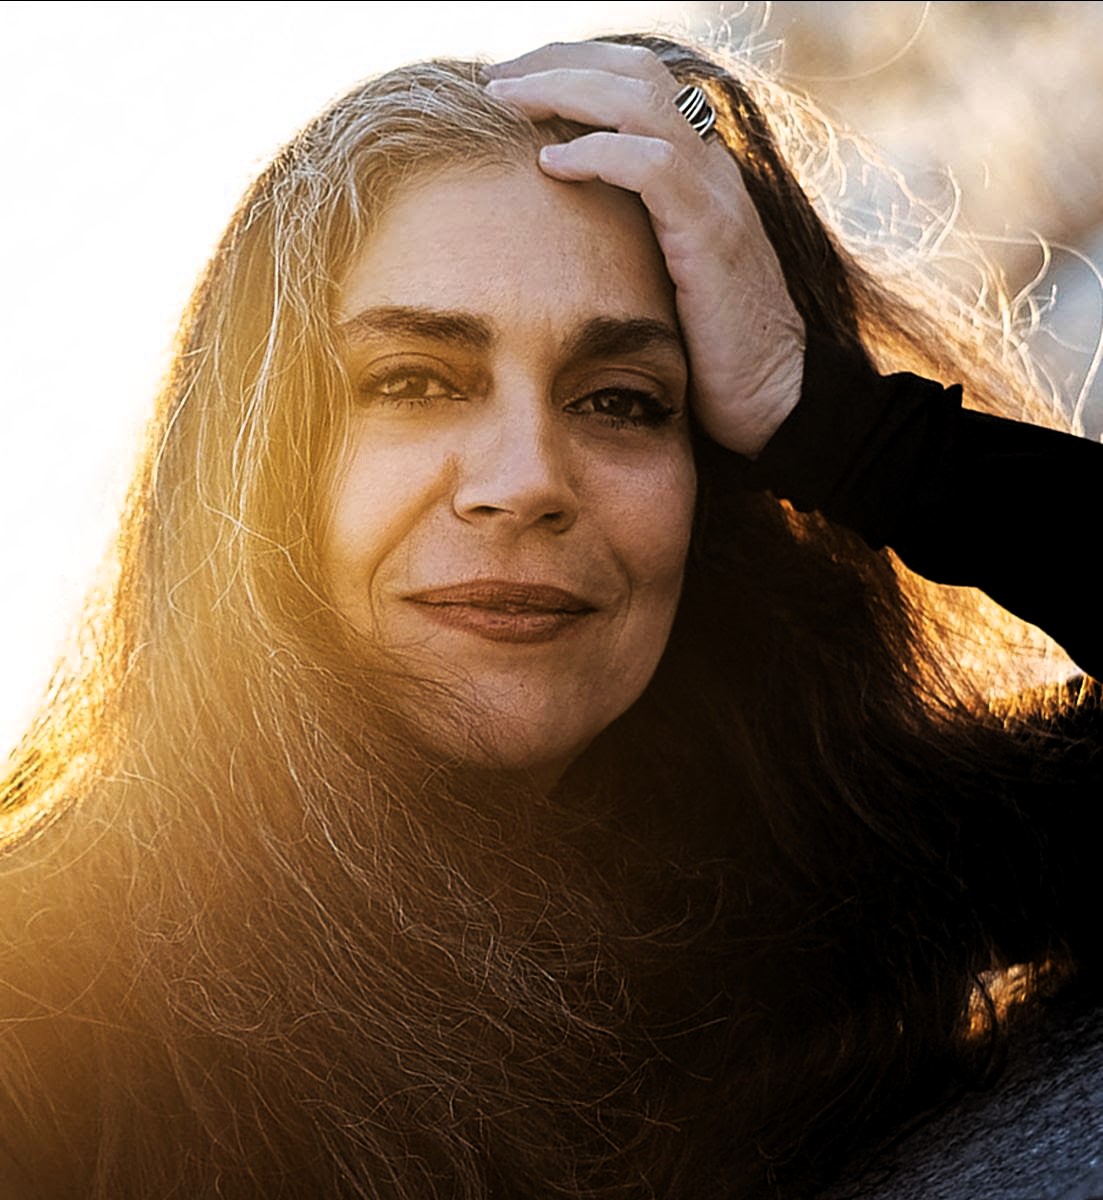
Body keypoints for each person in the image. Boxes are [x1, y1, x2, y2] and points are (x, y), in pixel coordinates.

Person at [0, 32, 1097, 1199]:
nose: (524, 480)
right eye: (413, 382)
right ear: (255, 462)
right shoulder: (39, 1007)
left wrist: (837, 422)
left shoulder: (826, 888)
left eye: (620, 400)